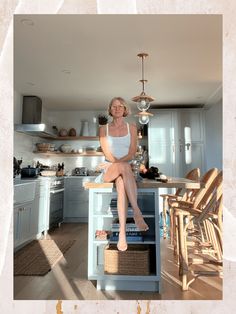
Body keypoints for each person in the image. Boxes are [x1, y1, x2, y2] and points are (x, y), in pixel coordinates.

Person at [98, 97, 149, 252]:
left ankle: (121, 234)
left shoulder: (132, 128)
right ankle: (137, 212)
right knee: (124, 167)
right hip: (109, 170)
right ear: (110, 110)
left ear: (125, 109)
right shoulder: (103, 129)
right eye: (114, 106)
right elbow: (107, 153)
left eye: (120, 106)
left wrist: (121, 165)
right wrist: (118, 164)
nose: (117, 108)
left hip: (124, 170)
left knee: (121, 185)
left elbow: (132, 152)